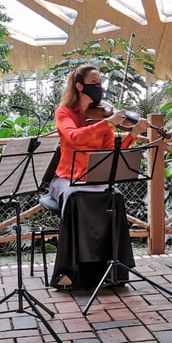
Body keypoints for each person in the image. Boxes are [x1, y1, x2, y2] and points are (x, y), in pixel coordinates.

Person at [48, 64, 148, 291]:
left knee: (115, 196)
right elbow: (73, 137)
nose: (99, 87)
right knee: (75, 197)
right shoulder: (64, 113)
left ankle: (113, 268)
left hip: (94, 176)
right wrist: (109, 122)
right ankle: (67, 272)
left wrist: (132, 134)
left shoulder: (102, 115)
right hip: (65, 177)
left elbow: (111, 150)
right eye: (94, 82)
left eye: (100, 82)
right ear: (79, 85)